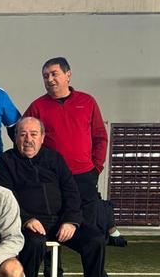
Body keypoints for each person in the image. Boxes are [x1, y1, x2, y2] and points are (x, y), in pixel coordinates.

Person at [0, 117, 116, 277]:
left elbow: (71, 193)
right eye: (23, 134)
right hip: (28, 223)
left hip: (61, 222)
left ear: (42, 137)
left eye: (34, 134)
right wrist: (26, 219)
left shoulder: (55, 159)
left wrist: (71, 221)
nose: (28, 139)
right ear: (15, 137)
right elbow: (6, 197)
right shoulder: (5, 161)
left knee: (94, 238)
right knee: (33, 242)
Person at [23, 56, 126, 247]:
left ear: (68, 75)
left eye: (54, 74)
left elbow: (100, 137)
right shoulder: (37, 106)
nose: (50, 79)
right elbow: (25, 138)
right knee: (54, 225)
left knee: (91, 232)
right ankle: (55, 274)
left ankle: (97, 275)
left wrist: (96, 167)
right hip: (52, 178)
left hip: (84, 175)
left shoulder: (87, 101)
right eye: (45, 76)